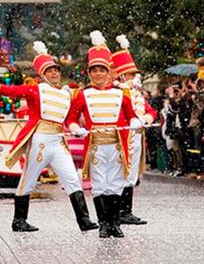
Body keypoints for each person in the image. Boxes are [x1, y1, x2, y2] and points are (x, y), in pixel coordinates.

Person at [0, 41, 97, 233]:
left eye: (56, 70)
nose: (54, 73)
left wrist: (74, 127)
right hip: (40, 140)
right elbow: (13, 91)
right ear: (42, 75)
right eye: (50, 71)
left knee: (71, 178)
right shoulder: (36, 89)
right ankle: (19, 220)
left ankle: (84, 219)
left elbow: (70, 117)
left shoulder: (66, 94)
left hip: (58, 141)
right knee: (28, 179)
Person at [65, 31, 140, 239]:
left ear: (108, 73)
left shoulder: (120, 94)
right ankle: (103, 224)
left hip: (116, 145)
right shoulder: (83, 94)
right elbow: (70, 118)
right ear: (90, 74)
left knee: (115, 183)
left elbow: (131, 115)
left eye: (101, 70)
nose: (98, 74)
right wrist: (75, 129)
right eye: (94, 71)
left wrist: (135, 123)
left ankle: (115, 223)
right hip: (96, 145)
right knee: (99, 184)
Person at [111, 35, 157, 225]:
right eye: (131, 74)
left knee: (131, 175)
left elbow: (150, 110)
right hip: (122, 135)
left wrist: (145, 118)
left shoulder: (136, 92)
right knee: (120, 173)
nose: (135, 77)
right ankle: (118, 211)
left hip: (137, 135)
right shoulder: (117, 91)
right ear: (122, 75)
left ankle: (126, 210)